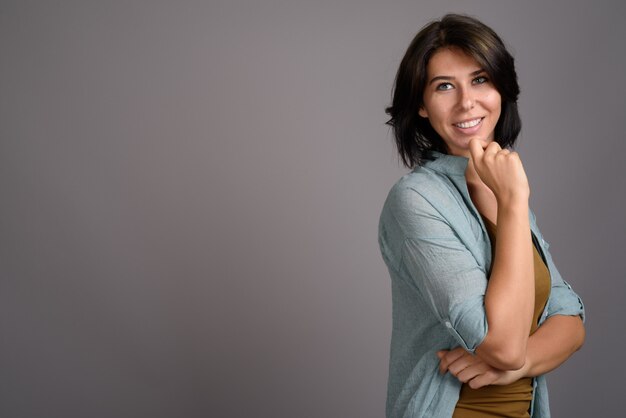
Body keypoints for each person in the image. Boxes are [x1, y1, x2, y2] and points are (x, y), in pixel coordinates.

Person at [378, 14, 585, 418]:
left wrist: (517, 368)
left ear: (501, 89)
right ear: (420, 105)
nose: (466, 102)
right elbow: (503, 345)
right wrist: (513, 202)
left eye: (479, 80)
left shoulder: (504, 188)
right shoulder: (417, 200)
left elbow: (571, 321)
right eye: (444, 86)